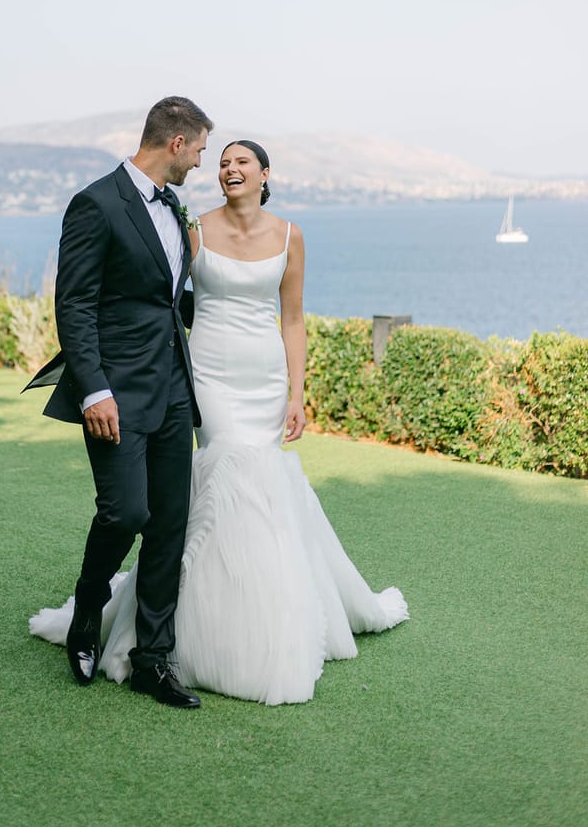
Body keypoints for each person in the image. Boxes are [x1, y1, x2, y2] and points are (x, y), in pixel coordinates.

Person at [31, 139, 408, 705]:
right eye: (222, 161)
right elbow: (157, 295)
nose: (228, 168)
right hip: (205, 374)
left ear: (264, 175)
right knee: (218, 486)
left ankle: (256, 621)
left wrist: (297, 392)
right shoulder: (193, 229)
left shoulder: (290, 236)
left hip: (264, 376)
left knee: (257, 491)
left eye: (241, 162)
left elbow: (294, 318)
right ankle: (174, 636)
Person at [26, 96, 213, 709]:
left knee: (169, 525)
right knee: (125, 513)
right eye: (200, 151)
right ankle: (87, 607)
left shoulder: (175, 208)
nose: (201, 164)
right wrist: (95, 389)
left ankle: (152, 661)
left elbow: (166, 300)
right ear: (176, 143)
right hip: (116, 393)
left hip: (174, 393)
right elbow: (75, 305)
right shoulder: (96, 203)